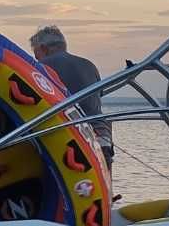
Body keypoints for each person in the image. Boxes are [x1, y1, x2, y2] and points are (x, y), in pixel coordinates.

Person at [29, 24, 114, 167]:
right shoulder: (89, 65)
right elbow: (98, 97)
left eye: (37, 55)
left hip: (67, 139)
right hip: (101, 136)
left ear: (44, 48)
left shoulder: (40, 67)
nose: (37, 59)